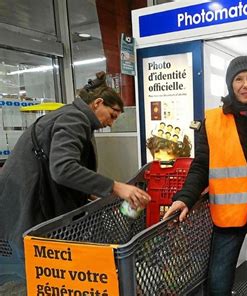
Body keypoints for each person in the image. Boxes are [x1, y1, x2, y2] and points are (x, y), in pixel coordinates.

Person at [0, 71, 151, 284]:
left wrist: (86, 191)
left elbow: (60, 165)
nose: (111, 124)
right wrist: (116, 187)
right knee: (40, 277)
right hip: (27, 202)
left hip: (26, 200)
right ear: (98, 103)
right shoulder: (74, 118)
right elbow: (62, 168)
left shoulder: (71, 115)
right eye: (112, 115)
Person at [163, 56, 247, 295]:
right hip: (228, 214)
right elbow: (201, 166)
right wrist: (185, 197)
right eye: (238, 79)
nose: (246, 84)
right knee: (219, 278)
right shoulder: (212, 121)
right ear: (230, 84)